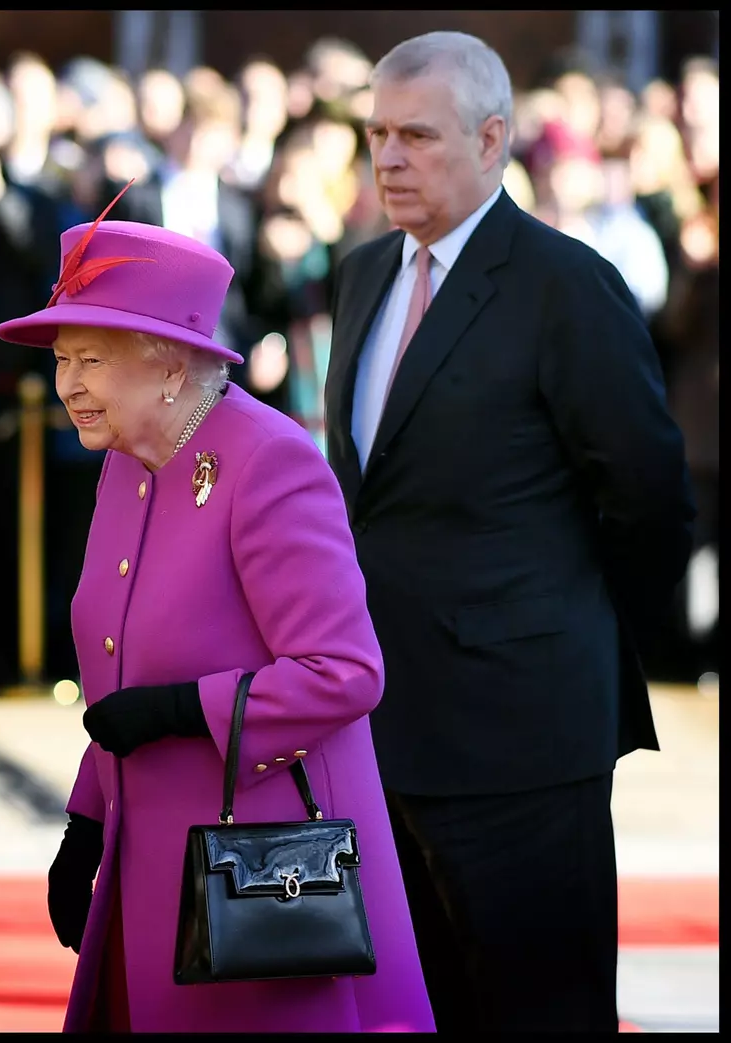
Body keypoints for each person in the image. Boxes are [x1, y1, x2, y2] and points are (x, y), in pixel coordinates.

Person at [0, 182, 435, 1034]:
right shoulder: (127, 457)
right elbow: (119, 673)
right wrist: (85, 821)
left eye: (91, 359)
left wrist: (180, 711)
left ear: (166, 361)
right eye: (61, 361)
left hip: (263, 879)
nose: (68, 386)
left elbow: (346, 672)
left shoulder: (268, 462)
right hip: (146, 860)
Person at [323, 32, 696, 1034]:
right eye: (375, 135)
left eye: (416, 135)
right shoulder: (361, 276)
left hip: (526, 738)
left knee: (542, 1011)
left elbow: (649, 495)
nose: (388, 158)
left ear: (492, 141)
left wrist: (559, 635)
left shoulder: (562, 285)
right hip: (384, 731)